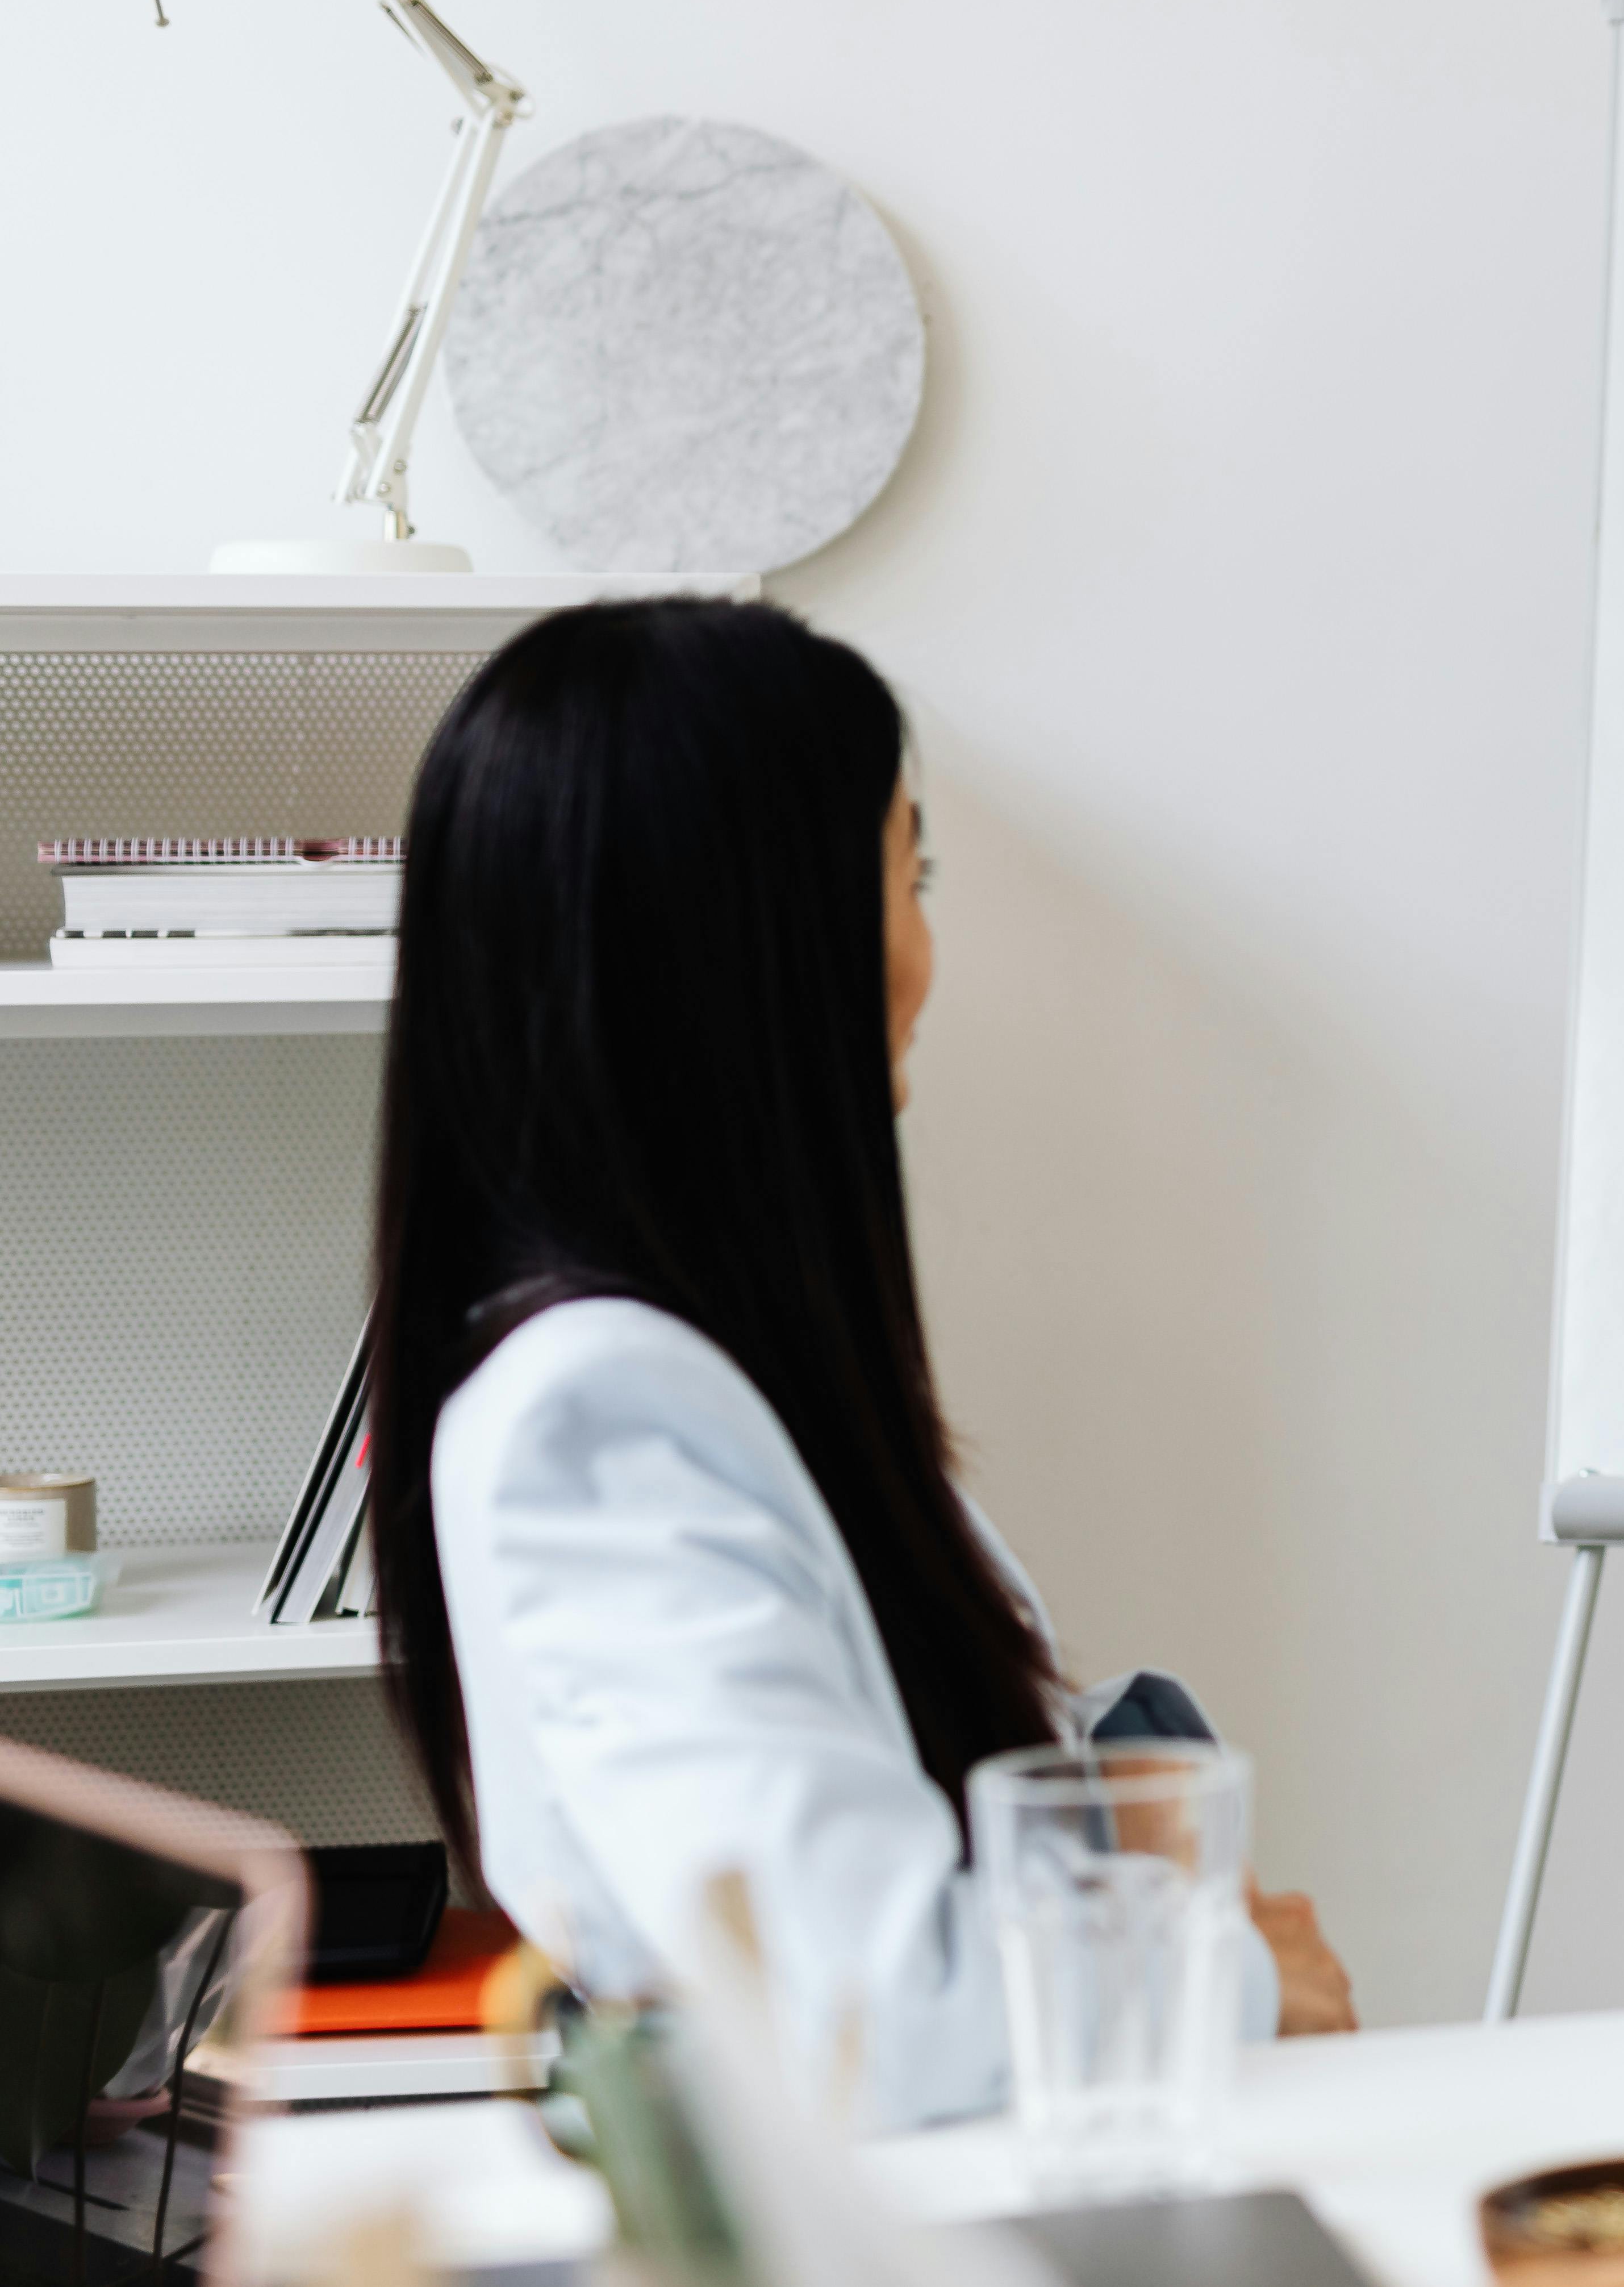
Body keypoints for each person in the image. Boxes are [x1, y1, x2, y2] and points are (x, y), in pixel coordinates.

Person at [360, 598, 1355, 2128]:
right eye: (914, 872)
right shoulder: (600, 1413)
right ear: (768, 932)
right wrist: (1221, 1968)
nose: (926, 950)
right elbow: (855, 2004)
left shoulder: (703, 1377)